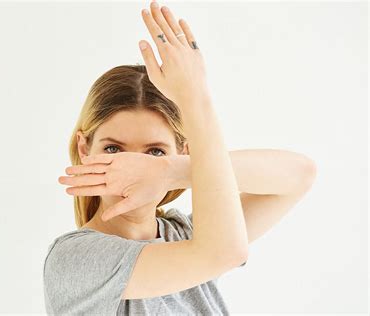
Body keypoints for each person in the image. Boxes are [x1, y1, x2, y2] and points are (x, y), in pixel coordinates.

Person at [44, 1, 249, 314]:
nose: (135, 169)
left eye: (154, 152)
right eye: (113, 149)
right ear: (85, 149)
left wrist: (171, 171)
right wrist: (196, 98)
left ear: (182, 153)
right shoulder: (75, 258)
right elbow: (225, 252)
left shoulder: (184, 234)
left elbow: (299, 175)